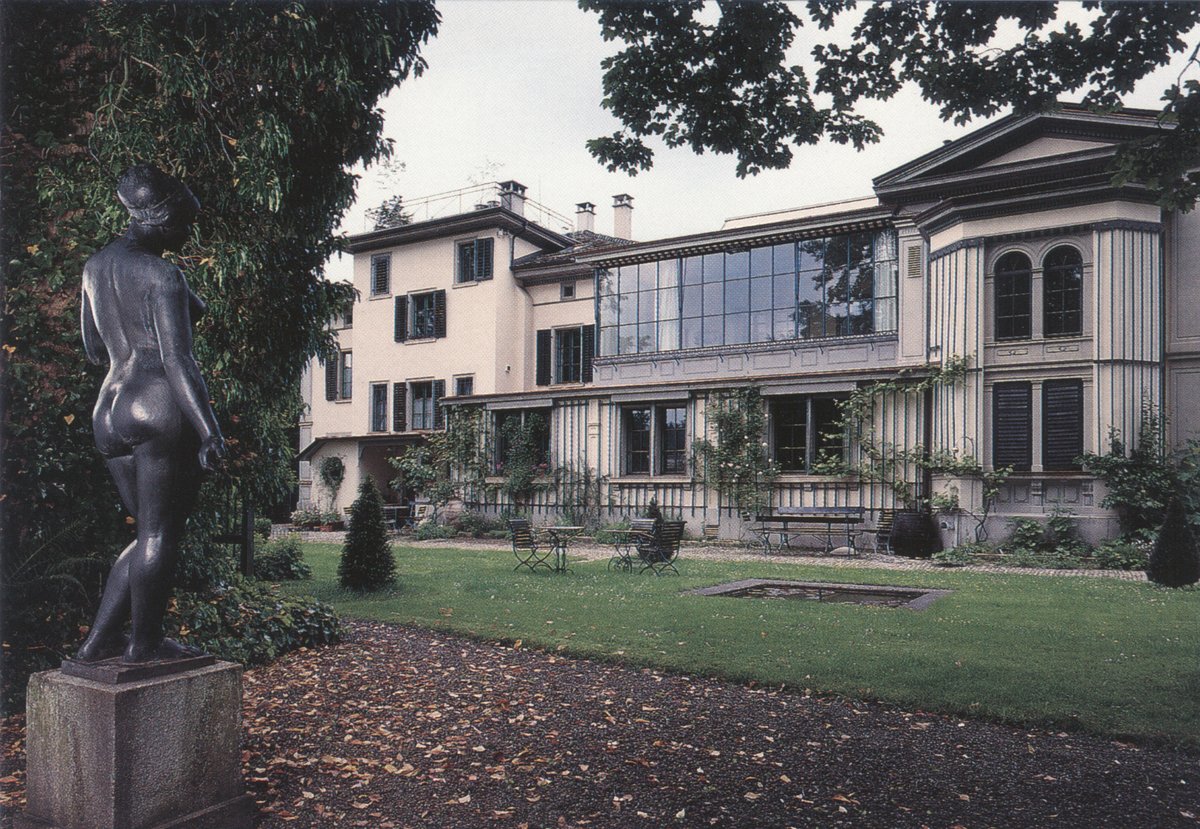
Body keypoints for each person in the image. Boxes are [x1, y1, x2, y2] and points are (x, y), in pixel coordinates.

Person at [75, 164, 226, 663]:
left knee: (146, 533)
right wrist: (208, 430)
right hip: (156, 403)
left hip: (109, 409)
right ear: (160, 220)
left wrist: (178, 298)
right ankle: (143, 645)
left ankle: (97, 643)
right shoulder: (163, 275)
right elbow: (177, 360)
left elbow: (94, 347)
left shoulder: (95, 268)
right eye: (183, 224)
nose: (187, 234)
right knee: (161, 533)